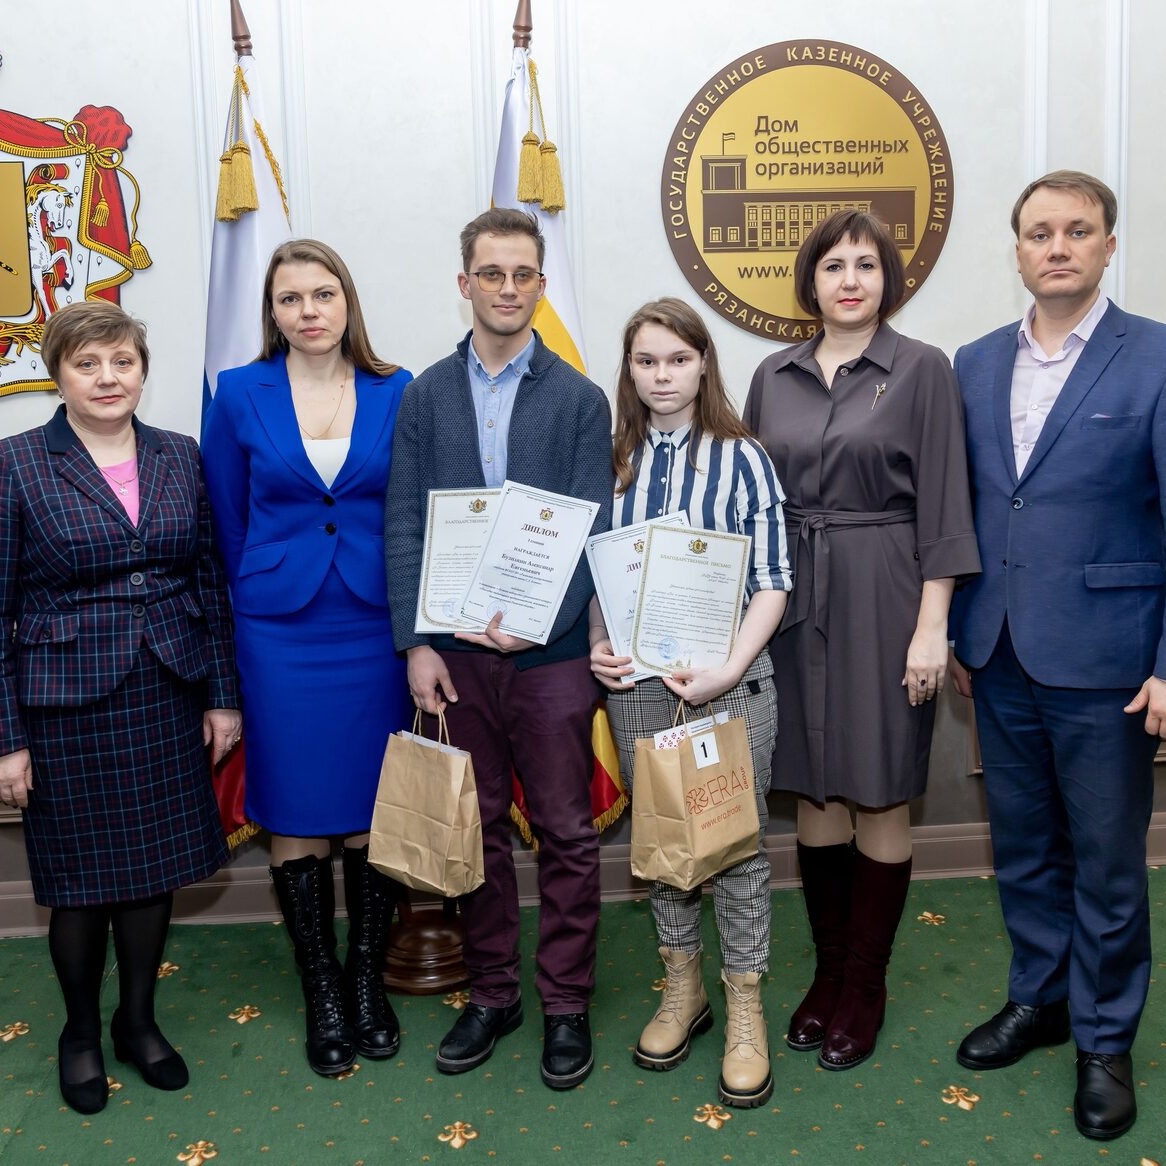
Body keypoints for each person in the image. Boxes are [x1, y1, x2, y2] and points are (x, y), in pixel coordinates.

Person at [948, 171, 1166, 1142]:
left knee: (1107, 863)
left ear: (1108, 245)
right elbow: (968, 507)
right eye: (1040, 232)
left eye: (1078, 230)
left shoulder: (1154, 355)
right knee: (1026, 848)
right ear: (1019, 251)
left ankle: (1104, 1040)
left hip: (1109, 663)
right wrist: (958, 628)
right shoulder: (974, 361)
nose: (1058, 246)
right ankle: (1039, 998)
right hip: (997, 653)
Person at [744, 209, 980, 1071]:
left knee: (879, 789)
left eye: (867, 265)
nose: (851, 280)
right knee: (814, 788)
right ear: (810, 282)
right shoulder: (772, 375)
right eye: (834, 265)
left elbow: (946, 504)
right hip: (791, 597)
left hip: (887, 593)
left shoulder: (923, 369)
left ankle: (866, 983)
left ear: (889, 279)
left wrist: (931, 627)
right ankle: (829, 971)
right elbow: (750, 500)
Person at [385, 208, 612, 1090]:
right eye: (492, 273)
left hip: (550, 654)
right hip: (455, 654)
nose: (507, 289)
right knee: (473, 827)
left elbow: (589, 527)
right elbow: (404, 524)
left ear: (541, 285)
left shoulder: (580, 399)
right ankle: (492, 992)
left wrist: (541, 620)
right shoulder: (425, 396)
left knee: (565, 830)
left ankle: (565, 1003)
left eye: (523, 274)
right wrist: (416, 642)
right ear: (465, 283)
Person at [0, 301, 240, 1113]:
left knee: (150, 873)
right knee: (79, 884)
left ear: (142, 370)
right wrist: (6, 739)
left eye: (122, 362)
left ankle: (137, 1022)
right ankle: (78, 1034)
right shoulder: (17, 464)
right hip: (63, 709)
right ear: (58, 375)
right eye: (87, 364)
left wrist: (223, 697)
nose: (108, 379)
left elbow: (208, 580)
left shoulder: (180, 454)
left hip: (166, 692)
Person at [201, 240, 414, 1078]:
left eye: (323, 294)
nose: (309, 311)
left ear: (347, 301)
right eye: (290, 299)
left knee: (370, 807)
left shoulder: (398, 388)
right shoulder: (237, 392)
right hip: (279, 630)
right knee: (293, 805)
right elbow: (226, 522)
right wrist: (242, 621)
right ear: (273, 312)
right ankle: (321, 985)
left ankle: (365, 979)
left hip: (374, 624)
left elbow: (413, 507)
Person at [589, 298, 790, 1107]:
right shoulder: (610, 460)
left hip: (731, 682)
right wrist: (598, 643)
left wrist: (728, 668)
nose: (662, 375)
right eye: (646, 361)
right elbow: (598, 574)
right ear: (629, 370)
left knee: (735, 846)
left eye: (677, 359)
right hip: (638, 688)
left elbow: (773, 582)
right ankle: (684, 989)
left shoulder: (744, 458)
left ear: (703, 362)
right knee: (668, 844)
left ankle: (744, 1006)